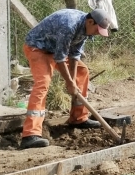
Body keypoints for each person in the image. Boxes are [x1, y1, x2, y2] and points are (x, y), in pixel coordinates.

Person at [20, 8, 112, 149]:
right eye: (97, 29)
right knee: (42, 83)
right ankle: (30, 135)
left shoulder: (85, 29)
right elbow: (60, 57)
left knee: (82, 72)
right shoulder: (69, 24)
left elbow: (74, 55)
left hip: (54, 49)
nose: (97, 34)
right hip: (37, 48)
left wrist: (73, 80)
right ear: (90, 21)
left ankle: (78, 118)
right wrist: (69, 83)